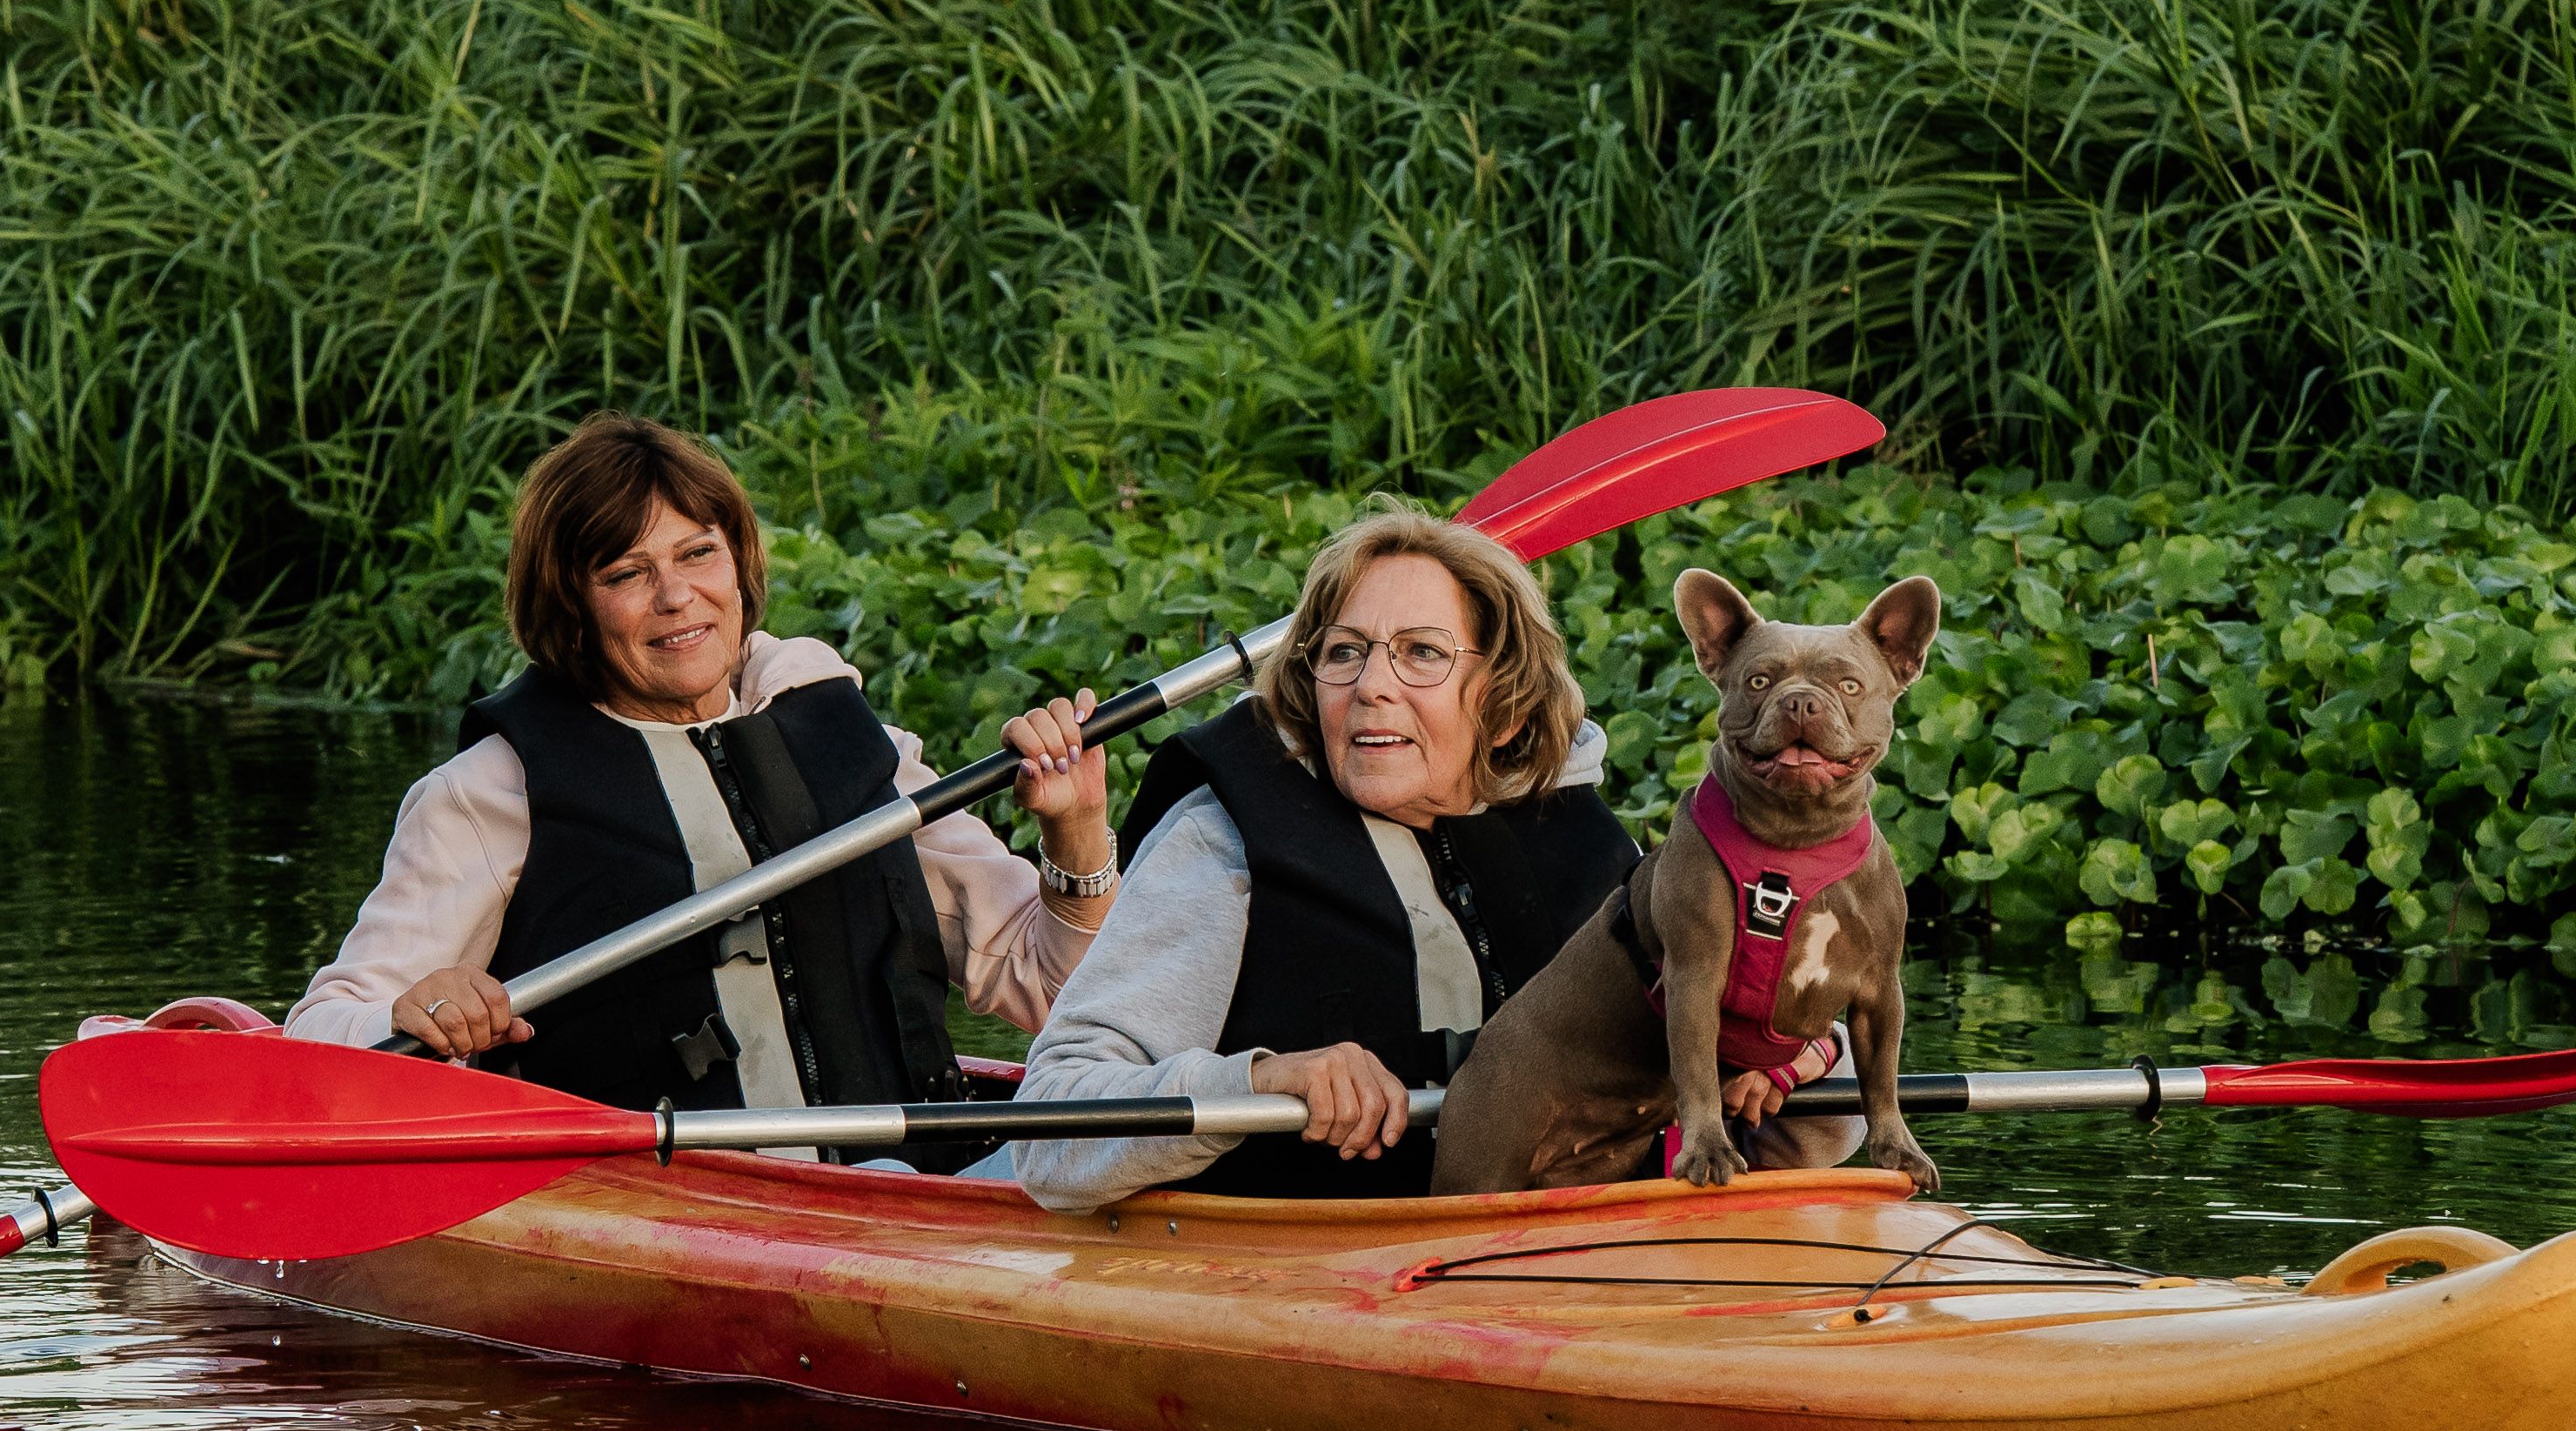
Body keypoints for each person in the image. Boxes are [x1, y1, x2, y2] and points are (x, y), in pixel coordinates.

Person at [285, 414, 1118, 1117]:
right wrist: (414, 1013)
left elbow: (1056, 994)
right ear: (570, 608)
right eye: (626, 573)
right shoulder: (490, 796)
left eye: (697, 554)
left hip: (907, 1182)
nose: (676, 596)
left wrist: (1076, 830)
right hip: (659, 1203)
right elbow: (319, 1034)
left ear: (738, 563)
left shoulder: (856, 746)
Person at [991, 505, 1639, 1200]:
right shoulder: (1223, 847)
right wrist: (1257, 1080)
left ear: (1503, 706)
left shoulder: (1597, 854)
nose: (1371, 685)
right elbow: (1049, 1137)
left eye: (1422, 652)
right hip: (1290, 1252)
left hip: (1588, 1242)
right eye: (1344, 653)